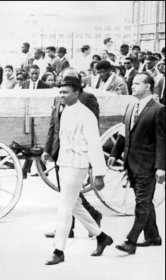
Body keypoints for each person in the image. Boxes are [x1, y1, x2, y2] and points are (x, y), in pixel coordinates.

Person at [44, 76, 112, 265]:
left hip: (78, 165)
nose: (61, 96)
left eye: (65, 92)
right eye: (60, 92)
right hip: (64, 164)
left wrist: (99, 173)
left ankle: (58, 251)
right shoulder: (65, 110)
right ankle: (101, 237)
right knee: (75, 206)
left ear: (77, 92)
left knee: (65, 208)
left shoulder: (86, 114)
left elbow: (94, 145)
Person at [42, 67, 102, 239]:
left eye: (69, 80)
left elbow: (92, 129)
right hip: (60, 152)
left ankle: (65, 232)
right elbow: (53, 126)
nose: (64, 83)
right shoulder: (58, 97)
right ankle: (84, 223)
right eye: (62, 79)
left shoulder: (87, 99)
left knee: (69, 195)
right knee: (68, 194)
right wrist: (47, 149)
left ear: (76, 86)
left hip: (77, 154)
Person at [109, 73, 165, 254]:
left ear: (148, 86)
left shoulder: (159, 109)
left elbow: (162, 140)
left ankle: (130, 241)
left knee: (141, 203)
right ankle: (153, 237)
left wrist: (161, 167)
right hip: (131, 164)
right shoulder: (131, 105)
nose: (132, 86)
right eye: (132, 83)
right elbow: (125, 132)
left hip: (147, 165)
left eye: (136, 83)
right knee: (145, 202)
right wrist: (115, 153)